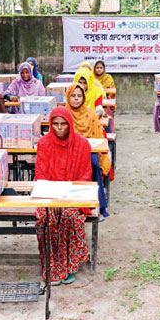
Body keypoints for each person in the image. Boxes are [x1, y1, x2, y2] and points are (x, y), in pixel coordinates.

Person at [35, 107, 92, 285]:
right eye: (55, 124)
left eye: (63, 124)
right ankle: (51, 266)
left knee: (69, 216)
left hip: (73, 196)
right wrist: (53, 200)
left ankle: (68, 266)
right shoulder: (44, 144)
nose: (59, 128)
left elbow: (85, 176)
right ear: (50, 125)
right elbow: (41, 177)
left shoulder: (82, 144)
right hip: (48, 197)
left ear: (70, 124)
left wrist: (66, 198)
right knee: (47, 218)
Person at [65, 84, 111, 218]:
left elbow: (98, 135)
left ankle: (98, 205)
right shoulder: (64, 114)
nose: (76, 99)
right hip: (68, 151)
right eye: (73, 96)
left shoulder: (90, 114)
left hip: (88, 151)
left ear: (84, 96)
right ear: (68, 97)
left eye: (79, 96)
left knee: (94, 165)